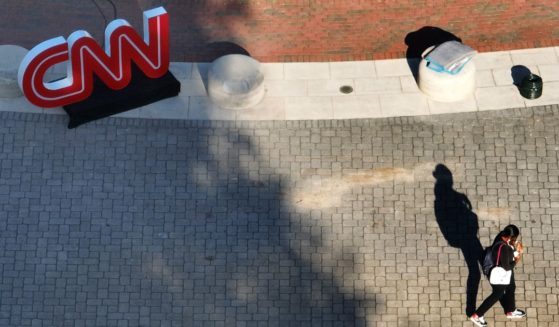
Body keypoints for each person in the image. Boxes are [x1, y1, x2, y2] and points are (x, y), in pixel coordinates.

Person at [470, 224, 526, 326]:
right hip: (499, 272)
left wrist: (515, 245)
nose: (515, 239)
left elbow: (509, 249)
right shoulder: (505, 249)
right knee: (497, 294)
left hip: (502, 266)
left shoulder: (501, 235)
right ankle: (477, 315)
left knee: (511, 287)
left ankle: (511, 310)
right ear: (509, 237)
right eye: (514, 238)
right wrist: (518, 257)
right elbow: (507, 267)